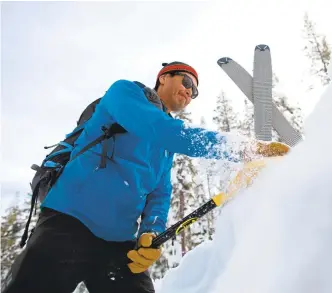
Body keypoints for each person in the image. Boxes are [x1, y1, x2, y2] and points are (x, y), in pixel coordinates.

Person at [2, 61, 285, 293]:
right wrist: (245, 149)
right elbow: (159, 129)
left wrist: (150, 230)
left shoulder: (165, 145)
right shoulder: (125, 93)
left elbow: (160, 193)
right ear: (164, 78)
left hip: (118, 244)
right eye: (187, 82)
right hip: (67, 223)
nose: (189, 93)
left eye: (195, 92)